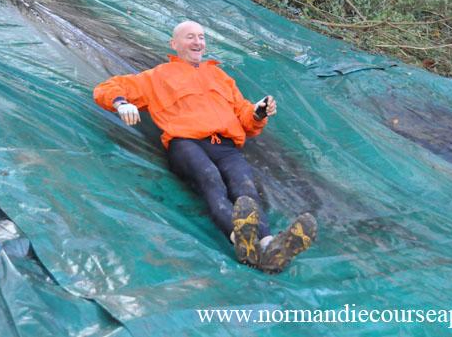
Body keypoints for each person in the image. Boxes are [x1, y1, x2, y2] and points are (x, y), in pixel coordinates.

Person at [93, 20, 317, 273]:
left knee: (246, 188)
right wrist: (122, 103)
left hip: (225, 146)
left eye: (201, 37)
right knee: (211, 179)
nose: (198, 42)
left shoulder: (220, 77)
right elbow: (107, 88)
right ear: (174, 44)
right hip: (186, 143)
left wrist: (258, 112)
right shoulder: (157, 76)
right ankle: (242, 241)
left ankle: (268, 247)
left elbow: (245, 117)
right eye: (190, 37)